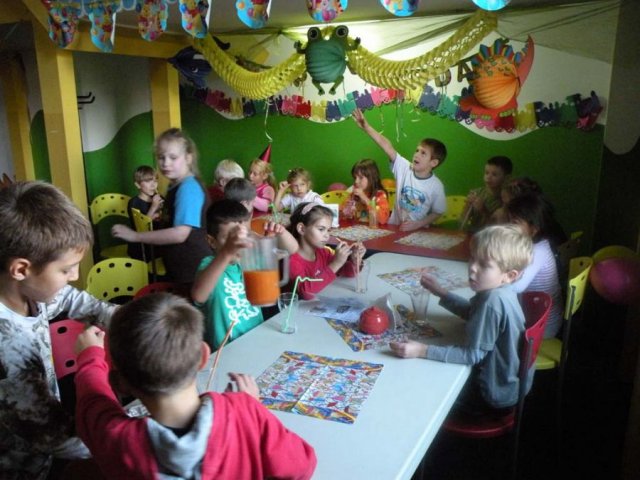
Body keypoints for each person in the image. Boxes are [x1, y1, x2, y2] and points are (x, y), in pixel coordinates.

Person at [74, 293, 317, 479]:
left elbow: (92, 401)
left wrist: (90, 357)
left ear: (121, 384)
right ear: (203, 357)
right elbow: (301, 466)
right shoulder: (245, 411)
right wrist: (252, 409)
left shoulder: (118, 440)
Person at [0, 181, 116, 479]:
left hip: (46, 444)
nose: (75, 276)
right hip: (21, 469)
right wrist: (131, 435)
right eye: (66, 269)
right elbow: (58, 439)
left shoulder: (31, 290)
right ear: (21, 269)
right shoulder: (9, 351)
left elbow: (74, 300)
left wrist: (129, 322)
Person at [390, 225, 533, 415]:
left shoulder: (493, 301)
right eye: (473, 258)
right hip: (508, 386)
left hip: (491, 396)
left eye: (484, 265)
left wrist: (421, 350)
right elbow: (474, 314)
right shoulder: (502, 291)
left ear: (509, 275)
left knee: (418, 389)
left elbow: (472, 355)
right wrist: (441, 293)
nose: (472, 267)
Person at [191, 200, 298, 350]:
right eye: (231, 238)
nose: (239, 243)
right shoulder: (209, 265)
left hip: (257, 339)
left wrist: (281, 232)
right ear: (212, 241)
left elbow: (291, 249)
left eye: (244, 236)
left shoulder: (249, 260)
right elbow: (199, 295)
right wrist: (227, 252)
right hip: (226, 350)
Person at [112, 128, 212, 285]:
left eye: (173, 157)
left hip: (193, 271)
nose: (165, 163)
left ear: (188, 158)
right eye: (161, 157)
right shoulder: (175, 186)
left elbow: (180, 234)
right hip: (182, 270)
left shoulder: (188, 188)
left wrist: (135, 236)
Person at [352, 108, 447, 231]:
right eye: (417, 150)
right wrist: (367, 127)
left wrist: (418, 224)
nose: (417, 155)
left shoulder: (436, 185)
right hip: (394, 227)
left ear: (433, 163)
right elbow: (387, 146)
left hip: (416, 232)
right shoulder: (404, 168)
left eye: (423, 153)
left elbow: (438, 211)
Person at [506, 193, 564, 338]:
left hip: (541, 327)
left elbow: (515, 287)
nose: (508, 226)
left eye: (514, 222)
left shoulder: (536, 252)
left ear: (533, 229)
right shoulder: (538, 245)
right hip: (537, 318)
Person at [287, 202, 366, 300]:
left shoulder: (323, 252)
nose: (327, 235)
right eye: (321, 229)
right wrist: (336, 263)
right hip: (297, 308)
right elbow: (306, 293)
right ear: (302, 229)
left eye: (328, 230)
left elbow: (347, 273)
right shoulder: (292, 260)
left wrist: (355, 259)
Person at [462, 155, 513, 232]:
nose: (488, 177)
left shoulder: (506, 199)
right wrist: (467, 207)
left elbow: (499, 228)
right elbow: (462, 220)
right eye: (486, 173)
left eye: (494, 174)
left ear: (507, 178)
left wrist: (483, 210)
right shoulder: (477, 193)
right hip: (473, 234)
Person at [126, 165, 164, 261]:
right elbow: (142, 228)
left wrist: (163, 213)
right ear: (138, 185)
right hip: (141, 247)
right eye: (148, 181)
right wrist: (154, 207)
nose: (153, 185)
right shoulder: (133, 203)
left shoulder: (159, 198)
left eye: (155, 181)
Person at [341, 158, 390, 225]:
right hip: (357, 230)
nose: (356, 181)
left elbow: (383, 219)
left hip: (375, 230)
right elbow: (342, 213)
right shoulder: (353, 195)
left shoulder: (380, 195)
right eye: (355, 178)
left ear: (372, 178)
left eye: (361, 178)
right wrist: (346, 211)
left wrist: (365, 199)